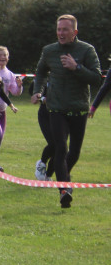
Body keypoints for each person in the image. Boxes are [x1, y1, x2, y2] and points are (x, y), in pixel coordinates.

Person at [30, 14, 102, 209]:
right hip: (56, 108)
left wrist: (76, 67)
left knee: (75, 153)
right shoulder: (49, 50)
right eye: (59, 29)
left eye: (65, 29)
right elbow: (41, 72)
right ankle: (64, 191)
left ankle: (59, 179)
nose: (61, 33)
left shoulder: (87, 50)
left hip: (78, 109)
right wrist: (37, 91)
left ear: (74, 32)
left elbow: (97, 78)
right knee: (61, 147)